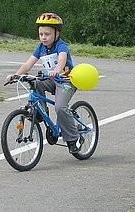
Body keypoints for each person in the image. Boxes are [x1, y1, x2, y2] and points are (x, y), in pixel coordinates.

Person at [5, 12, 84, 154]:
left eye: (47, 34)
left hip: (66, 80)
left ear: (57, 34)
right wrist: (16, 75)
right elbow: (28, 64)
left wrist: (57, 70)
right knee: (35, 83)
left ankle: (73, 139)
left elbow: (62, 58)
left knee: (60, 107)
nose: (43, 37)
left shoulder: (61, 45)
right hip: (51, 79)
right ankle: (41, 112)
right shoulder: (40, 47)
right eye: (41, 34)